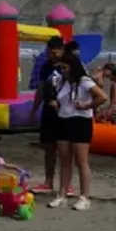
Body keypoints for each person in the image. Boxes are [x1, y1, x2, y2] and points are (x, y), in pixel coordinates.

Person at [48, 53, 108, 210]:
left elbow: (103, 97)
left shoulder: (84, 81)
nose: (63, 70)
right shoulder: (61, 81)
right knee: (64, 159)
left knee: (81, 160)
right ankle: (62, 194)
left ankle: (84, 197)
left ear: (72, 67)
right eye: (61, 68)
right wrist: (56, 105)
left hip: (81, 121)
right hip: (64, 120)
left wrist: (86, 106)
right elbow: (60, 100)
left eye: (65, 67)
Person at [29, 36, 66, 194]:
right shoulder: (46, 66)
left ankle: (66, 184)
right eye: (51, 51)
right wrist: (34, 109)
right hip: (48, 111)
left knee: (64, 150)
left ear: (62, 50)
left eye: (56, 51)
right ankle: (48, 181)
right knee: (48, 147)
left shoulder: (68, 66)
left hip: (64, 112)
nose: (53, 54)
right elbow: (41, 89)